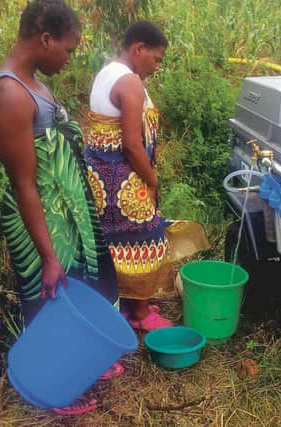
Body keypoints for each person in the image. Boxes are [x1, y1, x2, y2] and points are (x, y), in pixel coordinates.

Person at [0, 0, 119, 415]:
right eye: (69, 49)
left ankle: (81, 363)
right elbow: (25, 185)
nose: (69, 58)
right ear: (45, 39)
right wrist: (46, 255)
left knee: (78, 289)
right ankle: (54, 383)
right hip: (43, 223)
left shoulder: (33, 83)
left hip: (68, 215)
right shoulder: (9, 94)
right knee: (51, 296)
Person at [85, 21, 210, 331]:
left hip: (104, 179)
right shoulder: (128, 83)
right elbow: (130, 142)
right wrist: (152, 180)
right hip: (124, 183)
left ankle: (128, 303)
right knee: (143, 238)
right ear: (138, 48)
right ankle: (140, 315)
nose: (156, 67)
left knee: (116, 243)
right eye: (156, 59)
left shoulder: (107, 73)